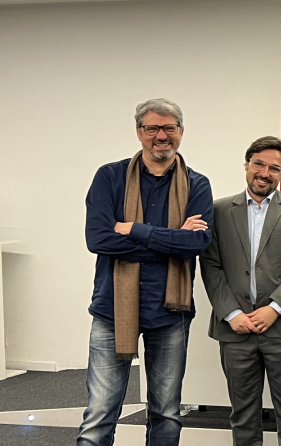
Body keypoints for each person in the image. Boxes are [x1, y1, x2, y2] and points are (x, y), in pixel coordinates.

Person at [78, 98, 214, 446]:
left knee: (166, 413)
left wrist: (135, 230)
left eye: (169, 128)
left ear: (181, 132)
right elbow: (99, 239)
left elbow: (196, 245)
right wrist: (172, 239)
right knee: (100, 413)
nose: (161, 136)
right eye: (152, 128)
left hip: (170, 314)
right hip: (112, 310)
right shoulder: (109, 177)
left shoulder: (197, 184)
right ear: (139, 132)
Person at [199, 137, 281, 446]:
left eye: (274, 168)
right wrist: (232, 313)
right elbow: (211, 265)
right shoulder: (219, 210)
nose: (265, 173)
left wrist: (274, 308)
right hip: (235, 329)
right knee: (242, 414)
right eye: (259, 164)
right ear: (247, 164)